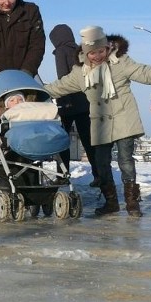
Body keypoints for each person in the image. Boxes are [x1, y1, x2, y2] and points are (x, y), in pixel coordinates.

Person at [44, 25, 151, 217]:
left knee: (125, 161)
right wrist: (32, 92)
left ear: (107, 48)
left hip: (124, 119)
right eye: (92, 53)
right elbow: (58, 87)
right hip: (100, 124)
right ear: (85, 53)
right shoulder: (79, 73)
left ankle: (132, 203)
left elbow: (146, 73)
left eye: (101, 51)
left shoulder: (121, 62)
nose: (97, 56)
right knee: (102, 163)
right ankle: (111, 202)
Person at [49, 24, 99, 187]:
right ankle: (99, 175)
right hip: (85, 103)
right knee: (88, 140)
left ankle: (63, 175)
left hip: (68, 104)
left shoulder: (61, 51)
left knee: (62, 140)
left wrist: (59, 96)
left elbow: (63, 76)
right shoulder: (80, 51)